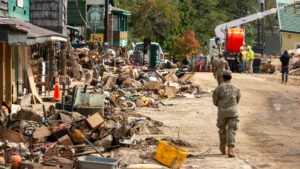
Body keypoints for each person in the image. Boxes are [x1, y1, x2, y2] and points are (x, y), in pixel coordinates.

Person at [213, 70, 241, 157]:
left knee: (222, 130)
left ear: (222, 77)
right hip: (233, 112)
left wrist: (220, 105)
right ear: (231, 78)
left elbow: (215, 101)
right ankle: (230, 149)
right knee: (232, 130)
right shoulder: (236, 87)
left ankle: (222, 148)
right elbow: (238, 99)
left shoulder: (219, 88)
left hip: (222, 112)